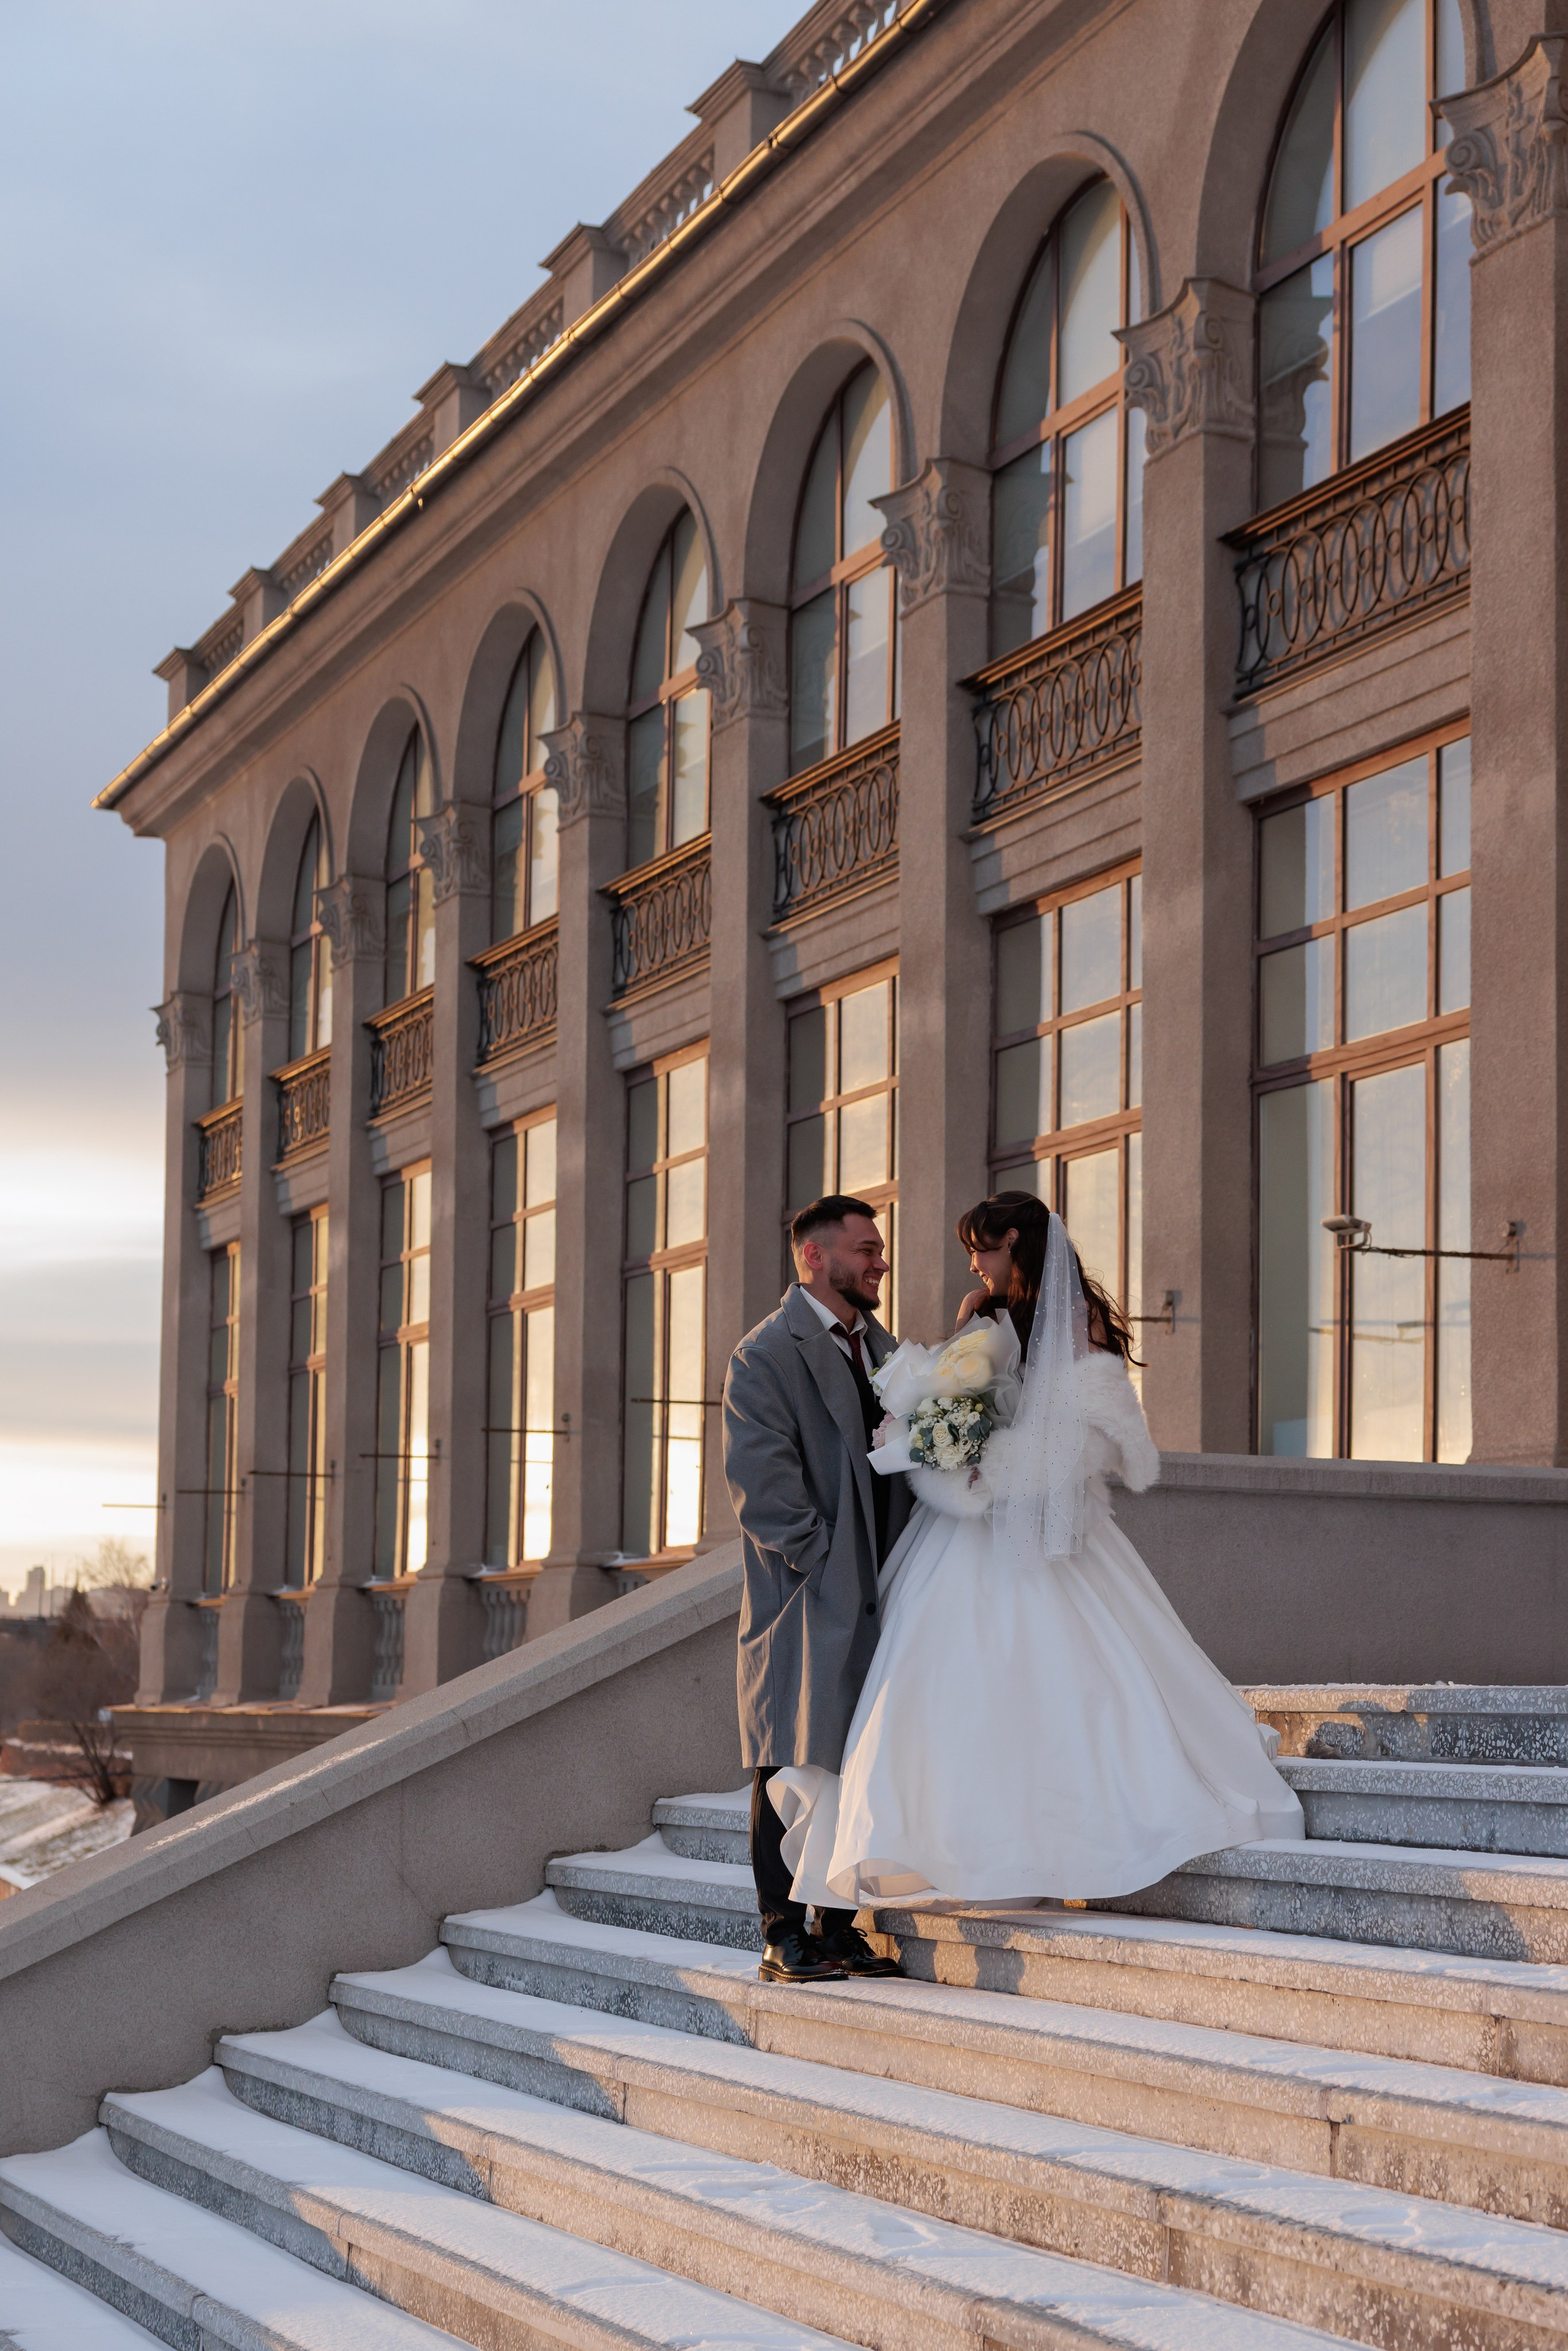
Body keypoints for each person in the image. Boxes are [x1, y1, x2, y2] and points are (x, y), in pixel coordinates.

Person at [769, 1191, 1304, 1911]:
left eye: (980, 1248)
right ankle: (952, 1850)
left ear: (1013, 1243)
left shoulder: (1078, 1321)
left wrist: (997, 1465)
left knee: (1066, 1683)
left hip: (1037, 1528)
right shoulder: (974, 1312)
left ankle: (1055, 1848)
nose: (972, 1263)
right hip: (960, 1530)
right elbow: (949, 1400)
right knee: (945, 1689)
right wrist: (929, 1439)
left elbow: (1081, 1436)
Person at [721, 1194, 913, 1983]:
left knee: (856, 1760)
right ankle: (780, 1931)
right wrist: (823, 1558)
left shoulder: (884, 1346)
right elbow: (761, 1486)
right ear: (814, 1257)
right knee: (786, 1759)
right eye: (865, 1249)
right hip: (807, 1594)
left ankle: (836, 1924)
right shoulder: (764, 1353)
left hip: (884, 1588)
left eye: (878, 1249)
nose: (879, 1261)